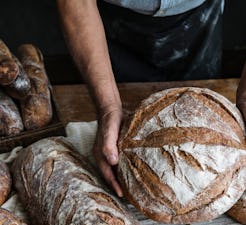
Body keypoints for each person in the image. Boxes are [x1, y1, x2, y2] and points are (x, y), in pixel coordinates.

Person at [56, 0, 245, 197]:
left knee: (207, 140)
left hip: (199, 16)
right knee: (117, 140)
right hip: (102, 25)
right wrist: (108, 106)